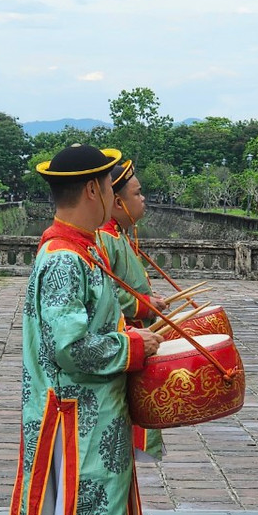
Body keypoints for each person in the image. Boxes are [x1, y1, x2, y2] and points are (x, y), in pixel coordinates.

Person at [6, 144, 162, 515]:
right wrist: (135, 347)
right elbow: (71, 347)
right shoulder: (67, 260)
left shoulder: (76, 251)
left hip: (86, 413)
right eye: (113, 189)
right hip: (80, 417)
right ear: (95, 190)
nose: (117, 198)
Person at [96, 158, 167, 470]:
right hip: (126, 342)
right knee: (125, 427)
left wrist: (151, 301)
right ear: (117, 201)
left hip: (139, 340)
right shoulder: (105, 238)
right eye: (137, 194)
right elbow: (109, 292)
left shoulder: (121, 235)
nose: (143, 200)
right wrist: (143, 305)